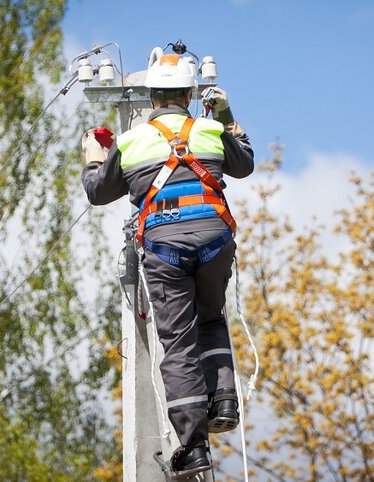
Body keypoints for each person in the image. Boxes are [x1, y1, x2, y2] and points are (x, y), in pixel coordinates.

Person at [81, 52, 254, 477]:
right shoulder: (211, 130)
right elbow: (244, 162)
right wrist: (227, 114)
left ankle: (193, 444)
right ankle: (224, 398)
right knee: (211, 318)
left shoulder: (131, 141)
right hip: (216, 240)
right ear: (191, 95)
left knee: (178, 342)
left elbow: (98, 193)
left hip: (165, 248)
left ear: (152, 96)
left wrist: (91, 155)